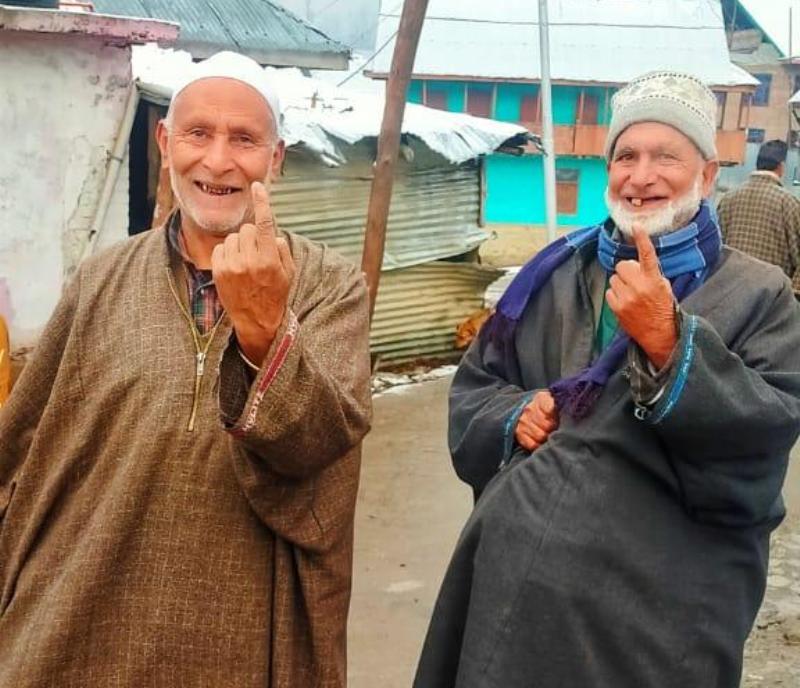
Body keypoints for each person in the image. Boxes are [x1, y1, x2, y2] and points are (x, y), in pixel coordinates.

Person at [414, 71, 800, 688]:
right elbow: (476, 387)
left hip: (658, 619)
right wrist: (516, 414)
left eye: (665, 157)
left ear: (706, 176)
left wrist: (670, 344)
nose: (640, 177)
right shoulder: (552, 276)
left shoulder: (759, 293)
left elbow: (768, 427)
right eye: (626, 157)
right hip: (512, 601)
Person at [0, 51, 372, 687]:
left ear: (276, 159)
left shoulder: (330, 287)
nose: (218, 161)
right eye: (198, 133)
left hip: (239, 629)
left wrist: (263, 328)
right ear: (166, 143)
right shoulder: (101, 279)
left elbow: (318, 443)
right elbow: (23, 448)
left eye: (244, 140)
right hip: (80, 615)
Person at [717, 138, 800, 294]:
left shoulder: (728, 198)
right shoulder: (789, 204)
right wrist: (793, 296)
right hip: (771, 298)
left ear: (757, 164)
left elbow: (716, 248)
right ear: (781, 167)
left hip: (728, 293)